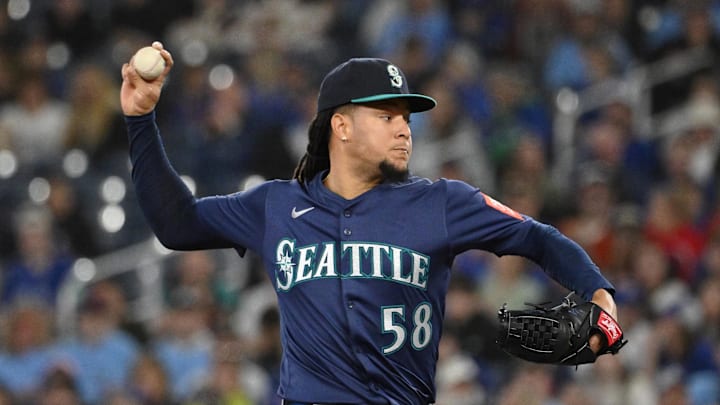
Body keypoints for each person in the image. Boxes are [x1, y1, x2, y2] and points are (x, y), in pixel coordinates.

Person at [121, 42, 620, 405]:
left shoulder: (441, 202)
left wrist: (598, 293)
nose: (404, 127)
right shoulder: (275, 206)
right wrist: (141, 119)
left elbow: (538, 238)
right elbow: (176, 225)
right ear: (341, 125)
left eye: (406, 116)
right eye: (386, 116)